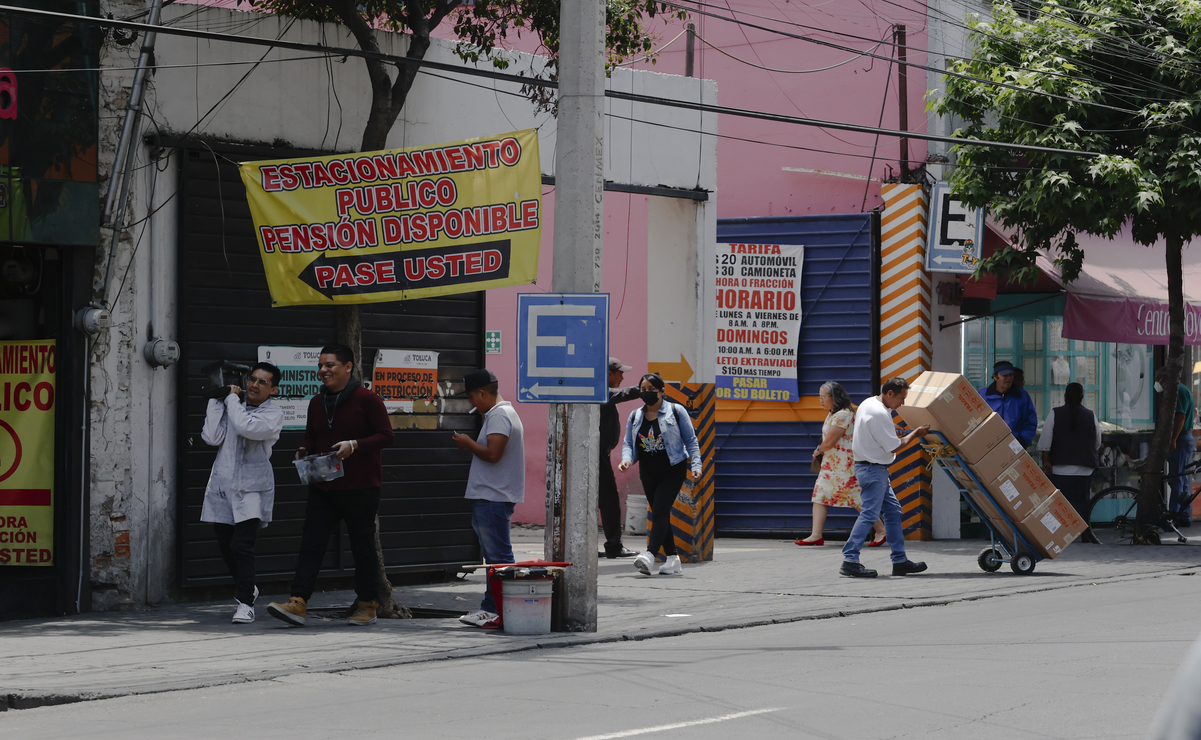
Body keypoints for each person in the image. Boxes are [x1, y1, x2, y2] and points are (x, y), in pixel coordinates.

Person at [267, 345, 394, 627]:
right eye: (321, 365)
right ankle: (298, 602)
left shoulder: (367, 399)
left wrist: (355, 445)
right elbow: (312, 436)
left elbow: (387, 436)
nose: (324, 370)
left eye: (331, 365)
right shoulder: (316, 402)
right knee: (311, 543)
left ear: (348, 367)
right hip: (323, 486)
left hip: (361, 487)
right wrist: (303, 449)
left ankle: (367, 604)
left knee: (362, 546)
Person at [200, 362, 285, 624]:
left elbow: (246, 426)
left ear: (273, 389)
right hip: (224, 486)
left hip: (252, 488)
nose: (253, 385)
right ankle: (247, 585)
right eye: (252, 380)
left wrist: (230, 400)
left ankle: (246, 603)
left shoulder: (273, 414)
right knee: (226, 545)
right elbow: (211, 437)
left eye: (262, 382)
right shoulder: (232, 405)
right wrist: (217, 401)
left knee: (242, 545)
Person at [453, 368, 525, 629]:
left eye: (471, 396)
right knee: (496, 557)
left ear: (483, 393)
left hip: (493, 496)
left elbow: (493, 454)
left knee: (498, 558)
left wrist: (467, 443)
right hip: (493, 495)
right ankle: (494, 607)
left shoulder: (498, 416)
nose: (471, 402)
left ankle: (496, 610)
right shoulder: (502, 414)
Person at [841, 377, 930, 578]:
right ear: (890, 393)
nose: (902, 403)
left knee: (893, 512)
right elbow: (895, 446)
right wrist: (915, 433)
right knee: (870, 515)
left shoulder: (869, 402)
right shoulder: (879, 413)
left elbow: (876, 430)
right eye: (901, 398)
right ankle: (850, 559)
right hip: (873, 470)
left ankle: (899, 561)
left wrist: (893, 429)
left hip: (873, 469)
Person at [619, 373, 702, 576]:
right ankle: (673, 558)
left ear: (661, 391)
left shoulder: (676, 411)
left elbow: (691, 440)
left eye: (651, 389)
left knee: (658, 512)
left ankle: (650, 555)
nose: (646, 393)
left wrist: (696, 465)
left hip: (672, 469)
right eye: (643, 389)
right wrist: (626, 459)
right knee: (660, 514)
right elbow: (628, 442)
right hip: (648, 471)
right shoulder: (635, 415)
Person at [795, 381, 886, 547]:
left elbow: (829, 442)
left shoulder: (842, 415)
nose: (820, 400)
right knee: (820, 496)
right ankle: (816, 535)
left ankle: (881, 530)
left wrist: (819, 450)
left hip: (845, 466)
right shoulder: (834, 413)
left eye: (823, 397)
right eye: (819, 397)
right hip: (832, 466)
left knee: (857, 500)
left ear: (834, 398)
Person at [1038, 383, 1102, 525]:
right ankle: (1084, 531)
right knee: (1082, 501)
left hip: (1060, 468)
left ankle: (1062, 530)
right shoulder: (1090, 415)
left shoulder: (1055, 413)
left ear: (1065, 396)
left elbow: (1045, 442)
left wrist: (1046, 462)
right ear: (1082, 396)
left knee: (1061, 502)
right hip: (1085, 468)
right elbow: (1097, 442)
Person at [599, 357, 641, 558]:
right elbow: (621, 394)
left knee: (603, 502)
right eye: (620, 372)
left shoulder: (603, 393)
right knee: (609, 502)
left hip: (601, 456)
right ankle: (614, 546)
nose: (623, 376)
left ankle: (611, 545)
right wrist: (642, 388)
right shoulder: (599, 391)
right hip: (596, 457)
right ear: (608, 374)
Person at [1156, 367, 1196, 524]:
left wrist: (1172, 439)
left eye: (1158, 380)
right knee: (1182, 479)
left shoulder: (1178, 391)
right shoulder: (1182, 390)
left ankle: (1174, 515)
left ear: (1164, 379)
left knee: (1176, 479)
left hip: (1181, 439)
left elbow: (1180, 417)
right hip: (1184, 438)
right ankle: (1183, 514)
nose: (1158, 384)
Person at [980, 360, 1039, 448]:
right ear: (995, 376)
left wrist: (1022, 440)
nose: (1009, 378)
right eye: (1005, 375)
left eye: (1011, 375)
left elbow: (1030, 422)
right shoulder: (982, 395)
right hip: (987, 444)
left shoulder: (1022, 396)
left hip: (1014, 444)